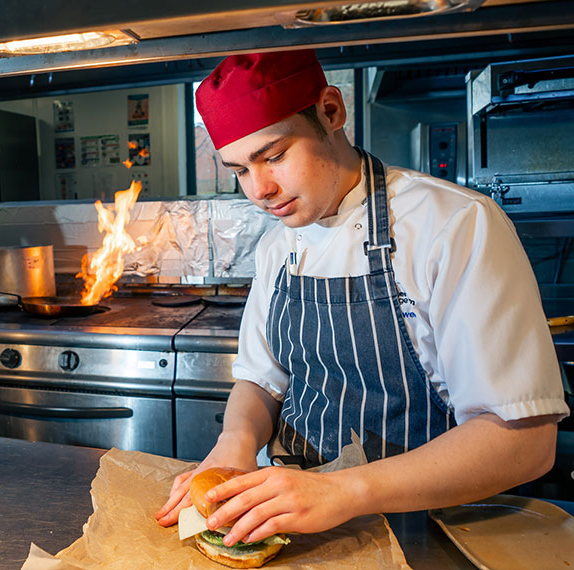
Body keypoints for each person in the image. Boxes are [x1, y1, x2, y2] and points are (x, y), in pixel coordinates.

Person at [156, 50, 569, 547]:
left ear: (331, 111)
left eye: (275, 155)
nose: (260, 190)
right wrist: (235, 444)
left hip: (428, 528)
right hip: (290, 525)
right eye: (240, 170)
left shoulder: (454, 226)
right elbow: (261, 381)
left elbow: (524, 442)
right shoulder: (278, 245)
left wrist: (343, 491)